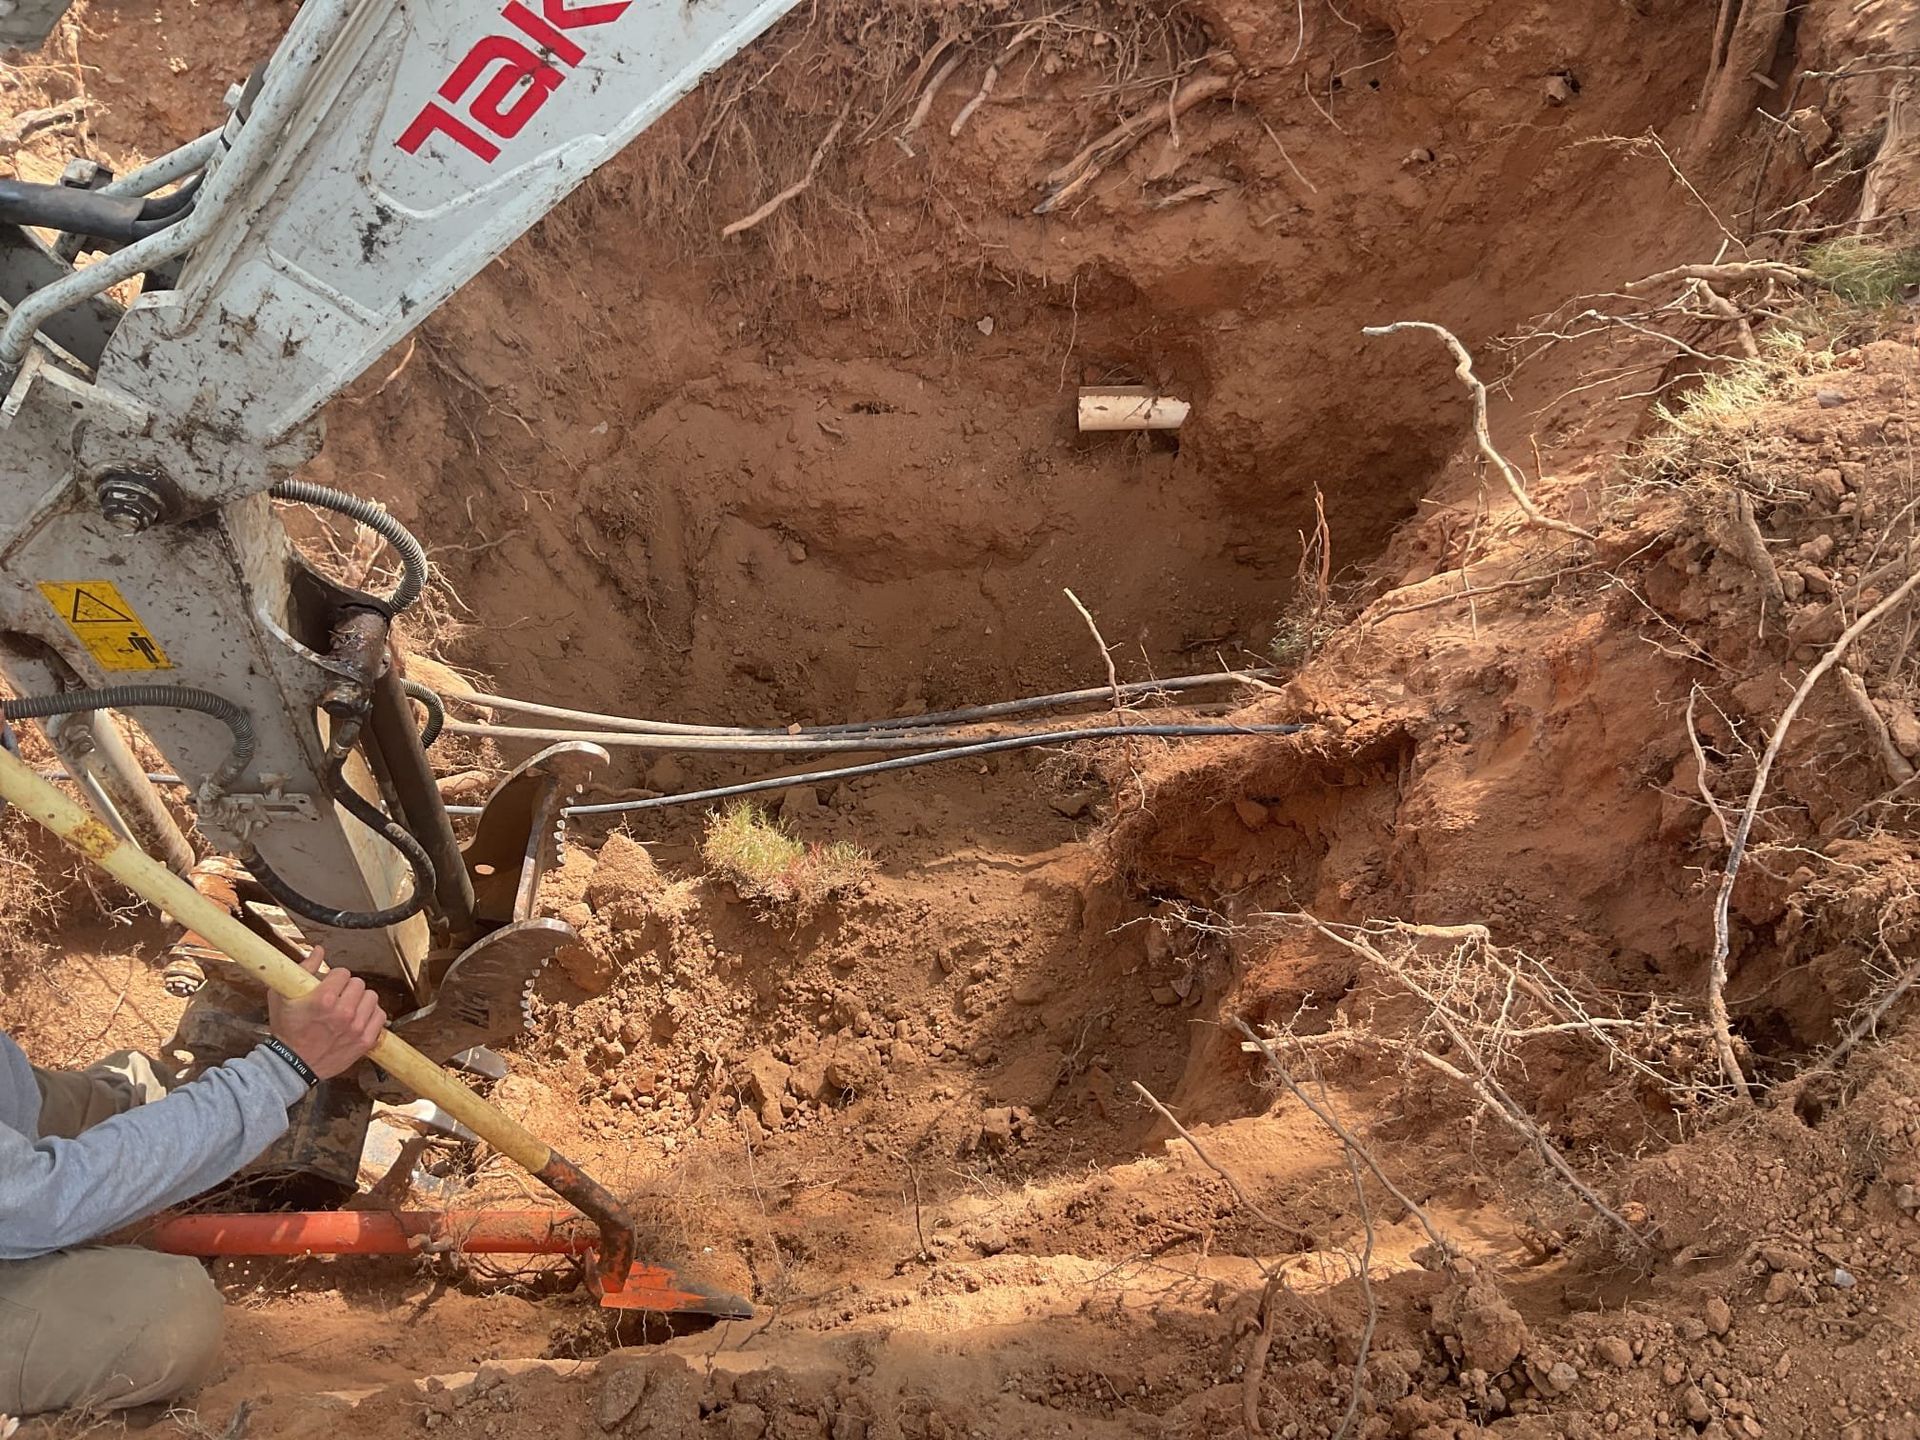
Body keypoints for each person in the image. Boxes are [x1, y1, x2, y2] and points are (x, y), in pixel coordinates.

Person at [0, 949, 386, 1416]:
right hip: (24, 1200)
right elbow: (38, 1202)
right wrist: (282, 1070)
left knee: (137, 1091)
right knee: (166, 1317)